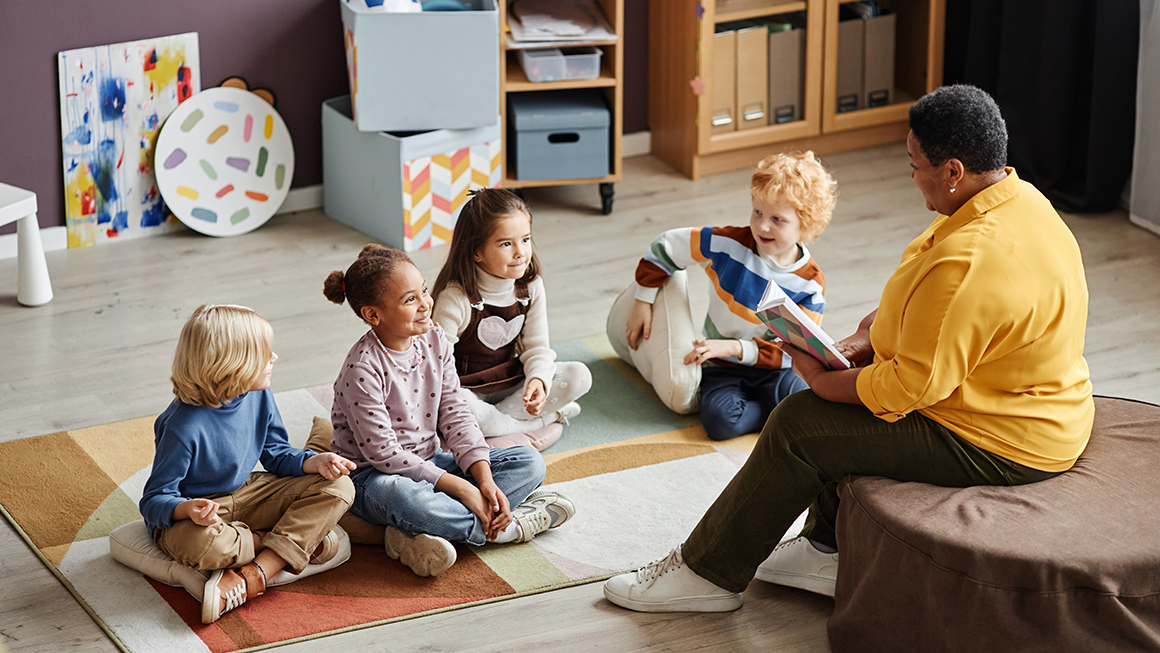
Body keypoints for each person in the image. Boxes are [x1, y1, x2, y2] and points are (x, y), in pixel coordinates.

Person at [602, 84, 1095, 612]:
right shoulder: (1016, 203)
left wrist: (820, 379)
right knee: (823, 412)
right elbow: (926, 314)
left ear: (953, 172)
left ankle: (706, 576)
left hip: (1000, 437)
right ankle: (823, 550)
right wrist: (863, 340)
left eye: (914, 165)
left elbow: (909, 387)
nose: (911, 176)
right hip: (1015, 401)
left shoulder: (972, 258)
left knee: (800, 423)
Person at [323, 244, 575, 578]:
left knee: (529, 462)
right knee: (403, 496)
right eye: (410, 299)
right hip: (373, 477)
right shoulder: (362, 369)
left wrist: (482, 479)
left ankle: (424, 531)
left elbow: (455, 410)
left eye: (424, 290)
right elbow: (383, 455)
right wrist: (463, 489)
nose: (426, 303)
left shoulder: (434, 338)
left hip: (431, 461)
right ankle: (506, 529)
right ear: (373, 315)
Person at [139, 304, 357, 625]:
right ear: (234, 364)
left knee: (339, 486)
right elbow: (153, 501)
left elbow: (277, 454)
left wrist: (315, 462)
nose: (275, 357)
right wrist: (189, 511)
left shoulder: (258, 395)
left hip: (248, 492)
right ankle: (293, 543)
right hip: (199, 517)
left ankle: (256, 573)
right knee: (206, 545)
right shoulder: (181, 427)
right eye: (265, 352)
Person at [608, 151, 838, 440]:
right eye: (758, 212)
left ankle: (780, 413)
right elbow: (666, 245)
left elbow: (796, 351)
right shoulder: (728, 245)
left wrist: (734, 348)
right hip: (721, 366)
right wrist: (643, 300)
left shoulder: (810, 284)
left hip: (774, 368)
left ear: (806, 224)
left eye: (777, 219)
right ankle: (778, 416)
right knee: (721, 423)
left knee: (801, 400)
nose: (763, 226)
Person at [431, 188, 592, 451]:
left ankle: (496, 428)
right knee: (452, 401)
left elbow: (538, 349)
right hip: (467, 389)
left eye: (526, 239)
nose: (520, 252)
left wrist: (537, 382)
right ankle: (540, 422)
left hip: (511, 383)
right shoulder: (456, 298)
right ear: (475, 252)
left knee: (579, 375)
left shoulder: (531, 287)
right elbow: (438, 369)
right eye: (506, 243)